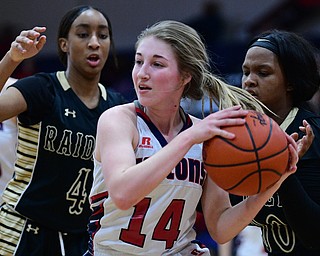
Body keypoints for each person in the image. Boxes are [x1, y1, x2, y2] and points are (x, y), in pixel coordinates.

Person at [85, 20, 298, 256]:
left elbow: (220, 228)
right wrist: (188, 138)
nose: (142, 73)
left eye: (157, 64)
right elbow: (123, 194)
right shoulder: (118, 121)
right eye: (138, 61)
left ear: (185, 76)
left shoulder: (207, 137)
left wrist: (274, 182)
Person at [0, 5, 127, 255]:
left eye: (102, 35)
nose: (94, 42)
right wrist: (11, 59)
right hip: (25, 230)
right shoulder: (42, 88)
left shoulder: (117, 108)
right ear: (63, 44)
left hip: (82, 237)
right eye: (83, 34)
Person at [230, 29, 320, 255]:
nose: (249, 81)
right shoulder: (242, 135)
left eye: (263, 72)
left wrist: (282, 168)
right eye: (246, 72)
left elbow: (314, 235)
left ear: (290, 82)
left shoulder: (312, 134)